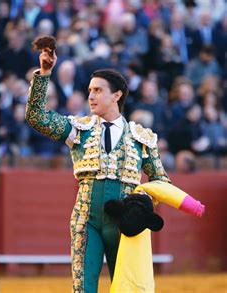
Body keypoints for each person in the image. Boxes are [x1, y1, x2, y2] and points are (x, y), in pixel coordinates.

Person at [25, 46, 170, 292]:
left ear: (117, 95)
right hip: (86, 221)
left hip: (125, 224)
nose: (90, 96)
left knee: (125, 288)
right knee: (83, 288)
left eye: (98, 90)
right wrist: (44, 74)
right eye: (90, 90)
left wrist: (142, 204)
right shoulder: (77, 130)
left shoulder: (141, 137)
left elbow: (161, 181)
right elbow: (36, 116)